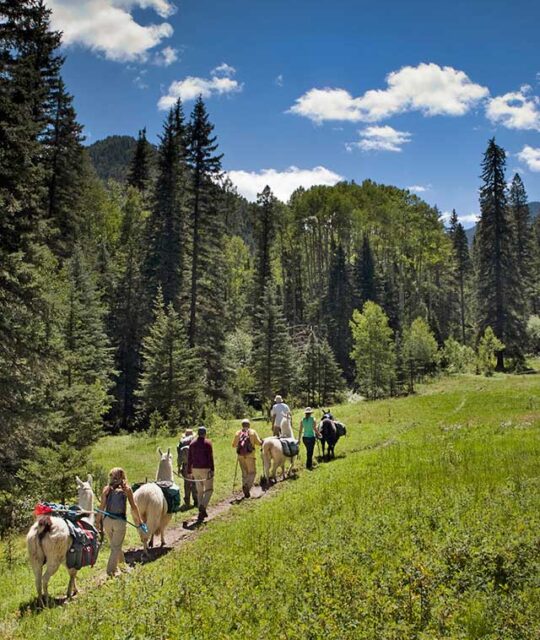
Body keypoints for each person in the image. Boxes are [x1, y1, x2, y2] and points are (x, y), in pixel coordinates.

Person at [95, 467, 144, 577]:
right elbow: (134, 507)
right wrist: (140, 522)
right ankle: (110, 571)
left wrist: (98, 522)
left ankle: (123, 567)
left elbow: (101, 507)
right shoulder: (127, 490)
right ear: (123, 477)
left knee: (116, 545)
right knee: (116, 547)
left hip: (107, 521)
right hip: (120, 522)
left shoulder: (106, 490)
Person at [187, 426, 214, 522]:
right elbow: (210, 457)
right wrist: (212, 469)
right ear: (205, 433)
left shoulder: (192, 443)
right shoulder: (208, 443)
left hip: (195, 469)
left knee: (199, 491)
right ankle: (203, 505)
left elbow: (189, 458)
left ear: (198, 433)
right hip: (206, 469)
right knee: (209, 489)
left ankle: (201, 511)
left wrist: (189, 471)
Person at [232, 418, 263, 498]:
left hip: (240, 456)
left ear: (242, 425)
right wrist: (262, 441)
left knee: (244, 473)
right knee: (252, 472)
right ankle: (247, 487)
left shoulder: (238, 433)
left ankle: (244, 485)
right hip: (250, 456)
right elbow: (259, 443)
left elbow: (234, 445)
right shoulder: (252, 432)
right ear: (249, 425)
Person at [177, 428, 198, 509]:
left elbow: (179, 458)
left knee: (187, 484)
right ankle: (196, 501)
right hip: (195, 465)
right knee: (194, 483)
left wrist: (179, 467)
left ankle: (187, 502)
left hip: (185, 466)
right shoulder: (195, 442)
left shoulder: (181, 444)